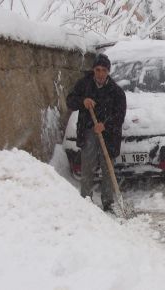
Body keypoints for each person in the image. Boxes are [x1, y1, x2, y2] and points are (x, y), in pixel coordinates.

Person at [66, 54, 126, 211]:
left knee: (108, 169)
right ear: (93, 70)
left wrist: (105, 125)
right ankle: (85, 200)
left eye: (104, 70)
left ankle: (108, 202)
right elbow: (70, 101)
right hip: (88, 131)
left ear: (108, 71)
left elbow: (120, 115)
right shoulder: (84, 85)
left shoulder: (116, 92)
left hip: (109, 135)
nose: (100, 74)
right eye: (97, 70)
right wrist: (82, 101)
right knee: (87, 167)